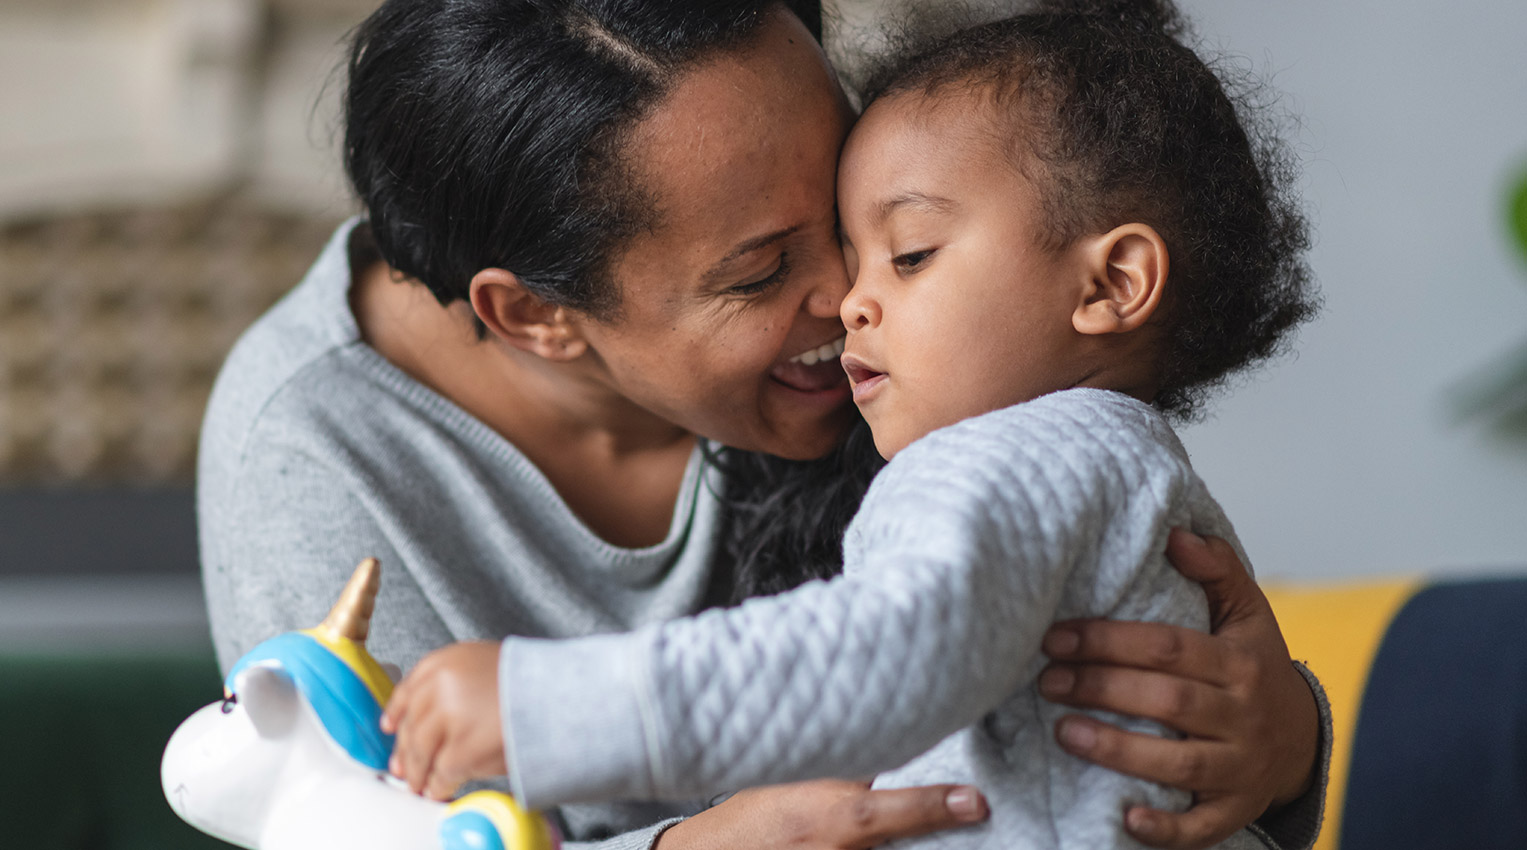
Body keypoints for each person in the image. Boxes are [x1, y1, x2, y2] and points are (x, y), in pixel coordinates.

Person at [197, 1, 1328, 848]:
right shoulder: (311, 455)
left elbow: (1015, 668)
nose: (851, 293)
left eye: (866, 220)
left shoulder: (967, 384)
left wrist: (1285, 737)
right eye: (761, 270)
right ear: (536, 315)